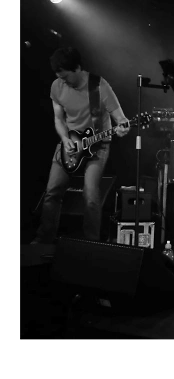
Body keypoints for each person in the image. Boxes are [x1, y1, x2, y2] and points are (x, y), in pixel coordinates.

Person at [33, 46, 130, 244]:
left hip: (98, 145)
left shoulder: (99, 86)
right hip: (69, 144)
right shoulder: (57, 86)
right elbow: (59, 119)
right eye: (59, 77)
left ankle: (90, 244)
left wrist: (123, 128)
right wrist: (65, 139)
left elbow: (121, 119)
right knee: (52, 192)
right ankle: (44, 239)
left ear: (77, 68)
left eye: (65, 76)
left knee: (91, 196)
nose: (62, 81)